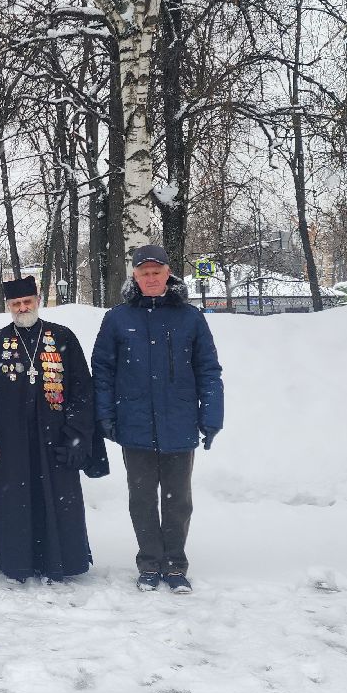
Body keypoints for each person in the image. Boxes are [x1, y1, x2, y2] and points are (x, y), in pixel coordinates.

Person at [92, 244, 223, 594]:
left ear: (168, 274)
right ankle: (149, 563)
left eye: (156, 272)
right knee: (142, 498)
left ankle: (176, 565)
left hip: (179, 422)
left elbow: (208, 370)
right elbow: (102, 371)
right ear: (134, 276)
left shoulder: (190, 317)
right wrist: (105, 414)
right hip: (133, 423)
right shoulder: (118, 318)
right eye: (143, 272)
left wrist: (211, 417)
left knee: (178, 499)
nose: (150, 278)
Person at [0, 276, 108, 583]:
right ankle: (16, 561)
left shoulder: (63, 337)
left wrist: (77, 435)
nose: (22, 308)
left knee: (57, 499)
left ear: (37, 301)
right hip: (11, 439)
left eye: (27, 302)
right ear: (9, 307)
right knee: (14, 500)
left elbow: (81, 390)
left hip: (55, 436)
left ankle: (60, 561)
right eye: (16, 304)